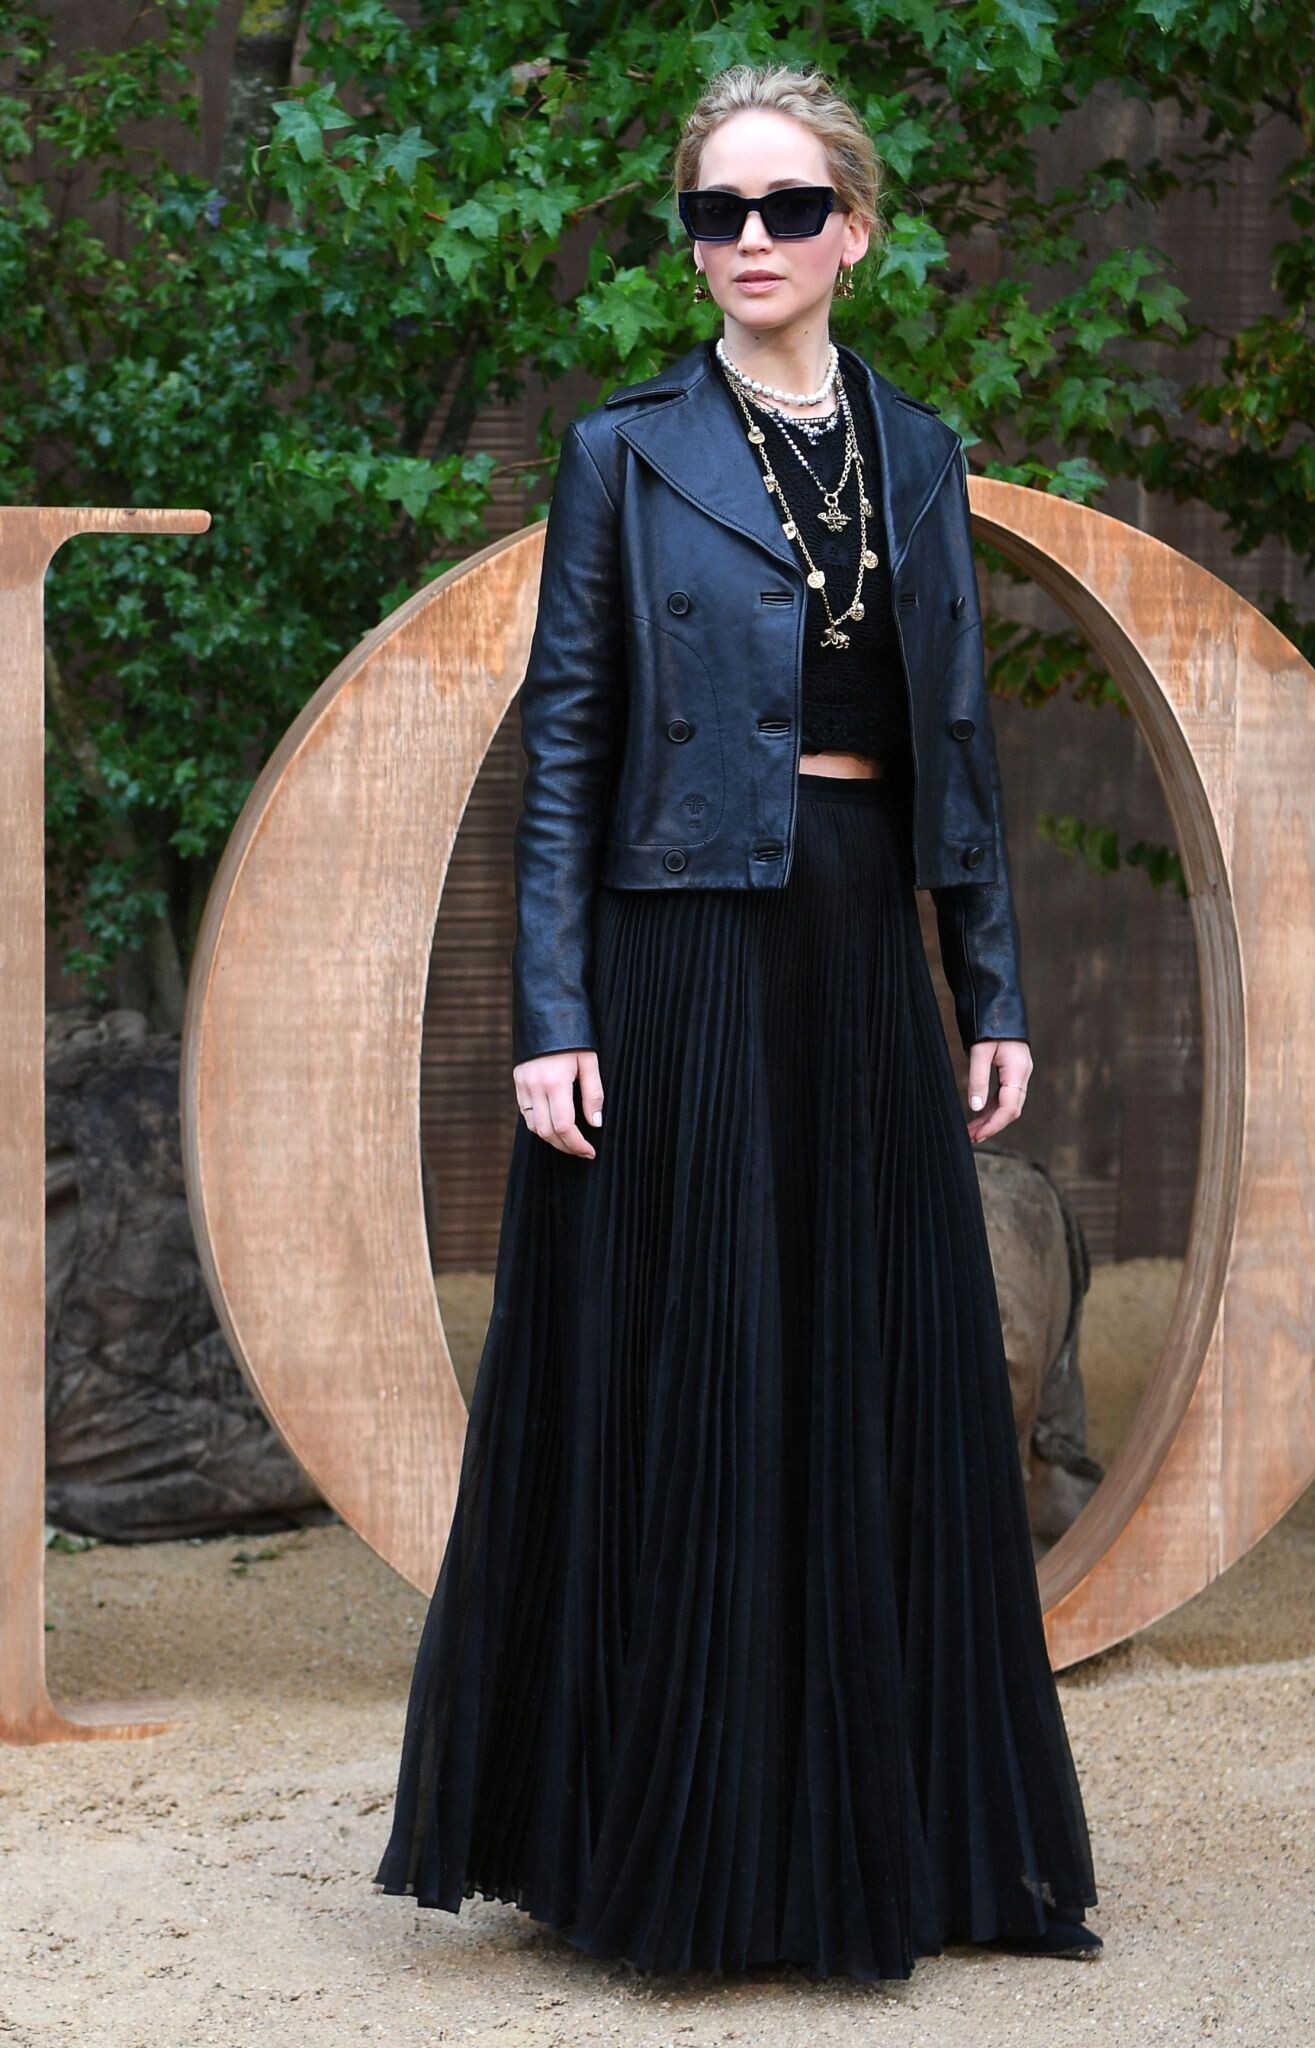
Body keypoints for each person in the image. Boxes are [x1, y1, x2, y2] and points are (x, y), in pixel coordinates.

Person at [373, 61, 1101, 1980]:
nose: (751, 240)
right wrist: (550, 1009)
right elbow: (566, 743)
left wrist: (989, 980)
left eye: (786, 208)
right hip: (677, 943)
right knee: (697, 1368)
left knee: (872, 1365)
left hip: (859, 940)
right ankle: (682, 1860)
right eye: (718, 212)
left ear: (853, 228)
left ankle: (903, 1849)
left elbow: (956, 734)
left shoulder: (916, 450)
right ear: (691, 242)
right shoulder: (622, 452)